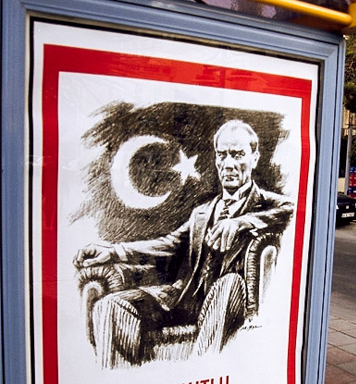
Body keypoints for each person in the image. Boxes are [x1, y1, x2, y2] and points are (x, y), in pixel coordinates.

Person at [74, 119, 293, 366]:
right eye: (222, 155)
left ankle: (202, 373)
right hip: (186, 297)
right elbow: (168, 244)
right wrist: (114, 252)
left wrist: (240, 222)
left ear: (254, 158)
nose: (229, 164)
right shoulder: (201, 213)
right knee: (112, 306)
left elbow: (291, 210)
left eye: (238, 154)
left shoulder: (271, 204)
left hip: (229, 301)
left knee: (229, 283)